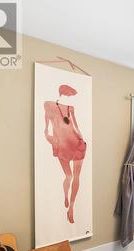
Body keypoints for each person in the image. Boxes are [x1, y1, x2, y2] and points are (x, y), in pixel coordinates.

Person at [43, 84, 86, 224]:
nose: (71, 98)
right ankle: (65, 196)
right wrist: (52, 140)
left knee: (76, 176)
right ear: (63, 94)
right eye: (70, 95)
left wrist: (82, 139)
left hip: (77, 143)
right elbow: (46, 130)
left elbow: (76, 126)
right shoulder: (48, 105)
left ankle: (71, 207)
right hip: (62, 144)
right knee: (69, 176)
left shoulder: (70, 108)